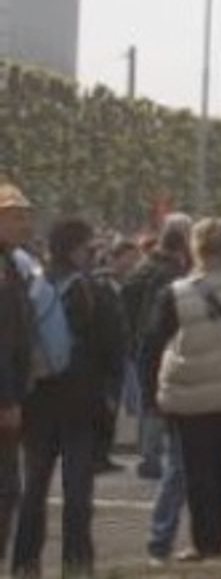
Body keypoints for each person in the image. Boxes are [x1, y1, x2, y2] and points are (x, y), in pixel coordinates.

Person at [141, 218, 221, 563]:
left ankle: (202, 541)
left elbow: (153, 342)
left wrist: (151, 393)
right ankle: (218, 540)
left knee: (197, 470)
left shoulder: (178, 292)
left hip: (190, 388)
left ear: (195, 249)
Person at [13, 217, 122, 577]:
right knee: (77, 492)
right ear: (77, 250)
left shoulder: (30, 287)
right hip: (81, 402)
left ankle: (25, 563)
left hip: (37, 400)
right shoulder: (94, 291)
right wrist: (110, 398)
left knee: (34, 488)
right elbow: (114, 348)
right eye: (90, 248)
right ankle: (76, 563)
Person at [122, 217, 191, 480]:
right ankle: (153, 457)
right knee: (159, 401)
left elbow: (127, 300)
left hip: (141, 342)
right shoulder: (171, 274)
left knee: (148, 400)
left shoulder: (143, 267)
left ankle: (148, 455)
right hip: (161, 342)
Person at [0, 184, 34, 564]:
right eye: (15, 216)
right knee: (5, 489)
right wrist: (7, 398)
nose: (24, 224)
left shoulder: (12, 264)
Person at [90, 238, 138, 474]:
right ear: (115, 258)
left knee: (113, 406)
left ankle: (103, 454)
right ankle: (96, 455)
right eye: (128, 258)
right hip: (104, 357)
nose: (132, 263)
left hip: (121, 353)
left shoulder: (127, 284)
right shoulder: (102, 283)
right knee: (104, 406)